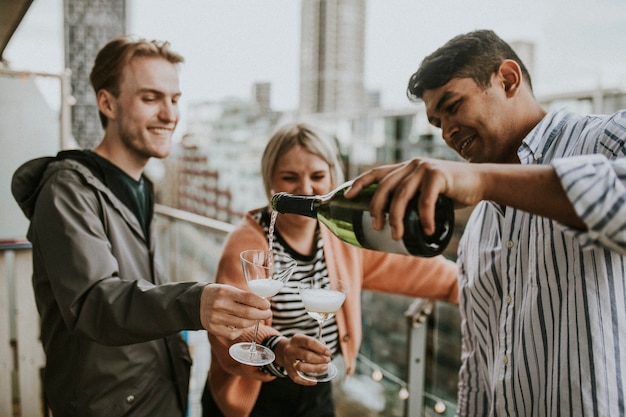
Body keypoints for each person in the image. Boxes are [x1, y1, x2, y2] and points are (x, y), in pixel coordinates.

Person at [345, 29, 626, 417]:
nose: (447, 133)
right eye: (436, 122)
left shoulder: (606, 138)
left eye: (453, 106)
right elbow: (478, 366)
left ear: (507, 80)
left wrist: (482, 179)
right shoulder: (478, 227)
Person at [10, 35, 271, 417]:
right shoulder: (67, 190)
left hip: (157, 393)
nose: (169, 114)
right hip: (107, 406)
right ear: (107, 103)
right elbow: (92, 302)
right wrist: (194, 303)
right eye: (151, 98)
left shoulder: (143, 186)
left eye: (175, 99)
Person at [202, 122, 459, 417]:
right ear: (269, 181)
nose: (306, 189)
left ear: (333, 178)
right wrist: (280, 349)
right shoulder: (247, 242)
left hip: (316, 390)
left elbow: (414, 270)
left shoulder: (340, 237)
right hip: (256, 394)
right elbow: (230, 326)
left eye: (318, 176)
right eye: (289, 177)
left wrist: (472, 283)